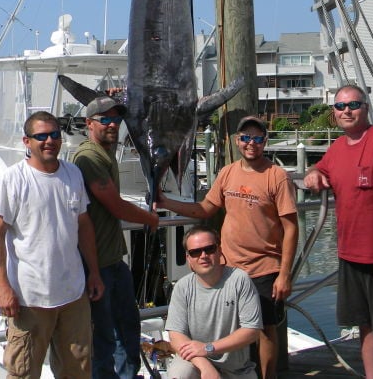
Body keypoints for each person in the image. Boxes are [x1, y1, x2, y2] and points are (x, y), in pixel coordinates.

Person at [157, 116, 298, 379]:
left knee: (266, 329)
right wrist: (166, 203)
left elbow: (291, 227)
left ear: (265, 142)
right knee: (234, 328)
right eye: (245, 138)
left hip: (265, 267)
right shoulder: (227, 172)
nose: (251, 143)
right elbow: (204, 209)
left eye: (257, 138)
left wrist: (284, 273)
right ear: (237, 141)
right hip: (229, 268)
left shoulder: (277, 176)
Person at [303, 84, 373, 379]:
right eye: (340, 107)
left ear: (365, 107)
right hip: (351, 255)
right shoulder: (338, 148)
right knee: (364, 326)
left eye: (353, 105)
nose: (346, 111)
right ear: (334, 113)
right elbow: (320, 169)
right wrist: (314, 173)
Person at [0, 111, 104, 379]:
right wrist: (3, 287)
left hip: (73, 296)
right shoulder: (13, 179)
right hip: (30, 299)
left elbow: (83, 225)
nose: (49, 141)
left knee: (79, 371)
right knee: (23, 372)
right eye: (41, 136)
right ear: (26, 142)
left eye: (54, 135)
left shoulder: (73, 173)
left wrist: (94, 273)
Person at [72, 95, 160, 379]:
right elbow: (114, 203)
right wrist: (150, 218)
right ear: (89, 124)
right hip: (95, 263)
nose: (113, 125)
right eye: (105, 119)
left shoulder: (106, 152)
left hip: (114, 259)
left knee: (128, 326)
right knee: (105, 338)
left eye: (116, 119)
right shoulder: (88, 157)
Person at [165, 225, 263, 379]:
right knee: (178, 374)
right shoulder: (182, 287)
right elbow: (176, 336)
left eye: (209, 249)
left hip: (236, 370)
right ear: (188, 258)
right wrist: (205, 365)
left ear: (219, 250)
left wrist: (208, 348)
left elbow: (252, 331)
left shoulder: (240, 280)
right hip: (196, 362)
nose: (203, 255)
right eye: (195, 252)